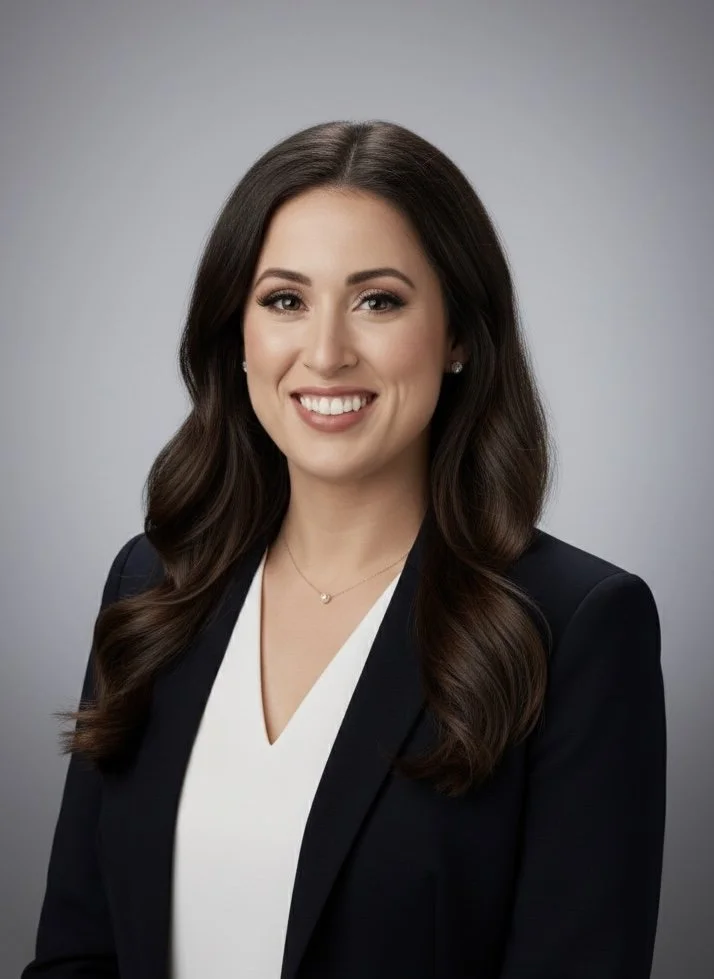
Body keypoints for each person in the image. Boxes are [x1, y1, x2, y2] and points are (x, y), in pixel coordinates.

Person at [21, 119, 667, 979]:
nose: (325, 353)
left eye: (379, 300)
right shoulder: (154, 585)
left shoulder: (575, 625)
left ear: (460, 337)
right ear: (236, 334)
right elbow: (77, 951)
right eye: (285, 300)